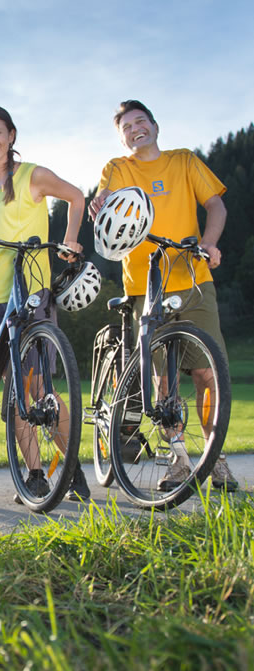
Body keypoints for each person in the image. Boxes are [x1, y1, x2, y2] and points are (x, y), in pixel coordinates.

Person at [88, 99, 237, 491]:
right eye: (127, 126)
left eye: (141, 121)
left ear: (155, 125)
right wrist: (100, 204)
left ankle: (214, 456)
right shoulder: (118, 168)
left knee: (208, 372)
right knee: (162, 379)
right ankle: (178, 459)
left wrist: (208, 243)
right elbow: (107, 203)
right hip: (143, 284)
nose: (136, 129)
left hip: (192, 277)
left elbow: (216, 205)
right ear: (121, 137)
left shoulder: (184, 161)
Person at [0, 105, 90, 502]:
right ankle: (36, 474)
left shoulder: (33, 176)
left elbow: (77, 198)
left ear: (11, 135)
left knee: (39, 386)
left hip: (32, 290)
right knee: (16, 390)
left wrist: (72, 239)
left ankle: (72, 468)